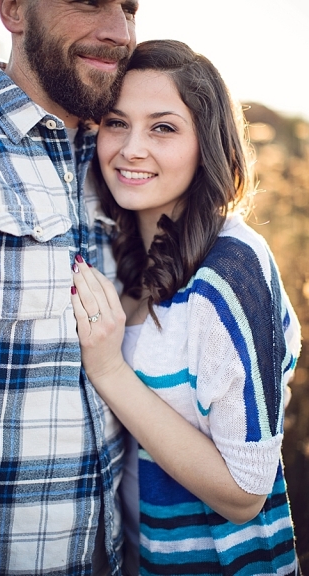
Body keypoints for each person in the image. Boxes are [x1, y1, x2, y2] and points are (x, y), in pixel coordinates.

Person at [70, 40, 301, 575]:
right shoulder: (120, 251)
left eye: (163, 128)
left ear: (208, 143)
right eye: (115, 122)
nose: (131, 148)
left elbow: (245, 491)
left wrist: (108, 370)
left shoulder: (232, 270)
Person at [0, 0, 138, 573]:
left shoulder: (121, 153)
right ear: (15, 10)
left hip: (113, 555)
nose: (120, 30)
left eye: (131, 8)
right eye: (90, 2)